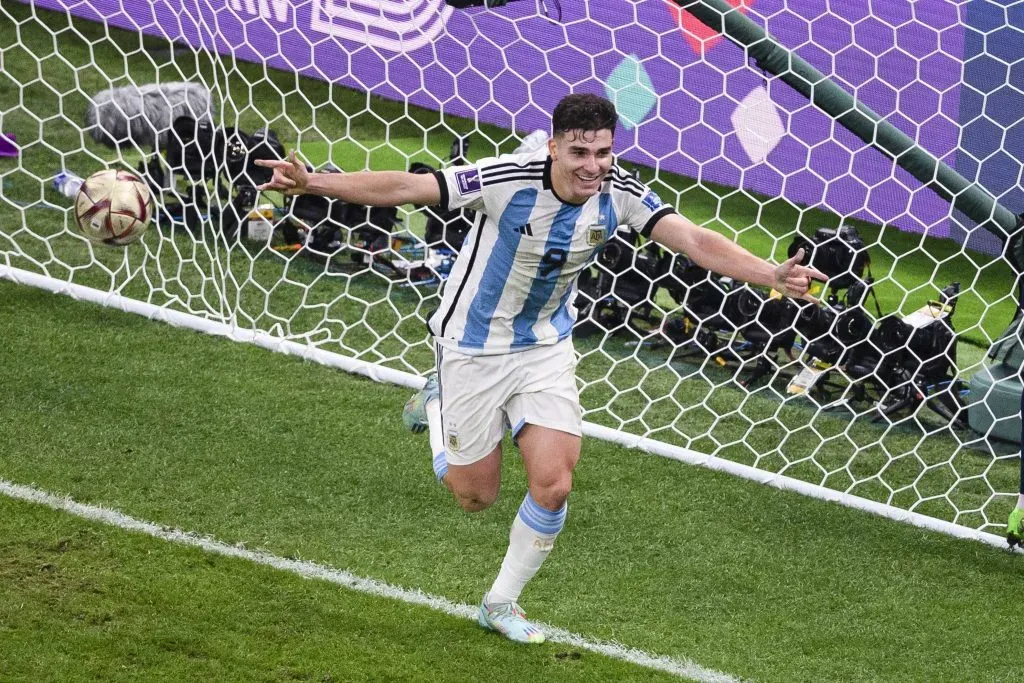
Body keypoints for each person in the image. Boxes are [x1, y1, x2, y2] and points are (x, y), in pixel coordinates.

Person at [257, 93, 827, 643]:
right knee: (474, 498)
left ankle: (499, 603)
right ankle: (435, 402)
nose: (593, 166)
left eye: (603, 153)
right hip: (473, 347)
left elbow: (693, 238)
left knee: (553, 485)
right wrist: (312, 183)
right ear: (553, 148)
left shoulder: (621, 192)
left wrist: (770, 274)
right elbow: (409, 186)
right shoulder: (507, 179)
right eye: (580, 153)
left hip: (545, 347)